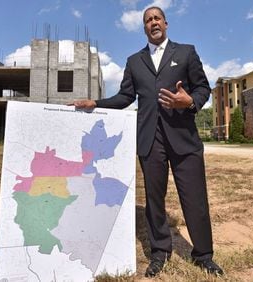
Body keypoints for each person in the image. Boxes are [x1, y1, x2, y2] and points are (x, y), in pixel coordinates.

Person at [71, 6, 224, 277]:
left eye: (157, 18)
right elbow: (125, 97)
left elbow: (203, 88)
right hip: (150, 140)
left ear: (166, 23)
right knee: (155, 200)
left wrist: (190, 102)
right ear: (144, 28)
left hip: (184, 138)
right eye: (147, 20)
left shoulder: (186, 52)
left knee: (195, 198)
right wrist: (96, 102)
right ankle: (160, 252)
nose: (153, 22)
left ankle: (203, 255)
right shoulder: (134, 61)